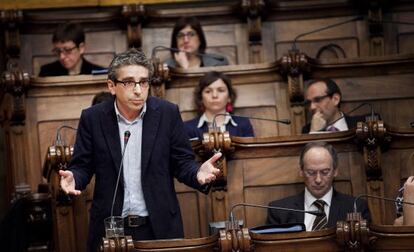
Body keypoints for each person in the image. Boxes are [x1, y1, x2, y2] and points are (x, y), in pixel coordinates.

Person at [58, 48, 222, 252]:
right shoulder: (93, 118)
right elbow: (83, 166)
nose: (138, 90)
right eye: (128, 82)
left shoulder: (166, 113)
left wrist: (197, 172)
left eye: (143, 82)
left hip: (159, 227)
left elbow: (181, 162)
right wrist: (74, 178)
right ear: (112, 86)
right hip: (112, 228)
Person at [267, 141, 370, 231]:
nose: (318, 180)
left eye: (325, 172)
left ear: (335, 171)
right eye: (311, 172)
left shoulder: (355, 207)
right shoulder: (279, 210)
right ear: (301, 172)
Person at [184, 71, 254, 139]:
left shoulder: (243, 124)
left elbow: (251, 151)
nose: (214, 95)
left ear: (229, 97)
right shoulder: (187, 128)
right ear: (201, 98)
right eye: (208, 91)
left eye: (221, 90)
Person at [39, 22, 105, 77]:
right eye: (58, 51)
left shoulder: (99, 73)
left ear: (81, 48)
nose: (62, 56)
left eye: (67, 50)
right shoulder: (46, 72)